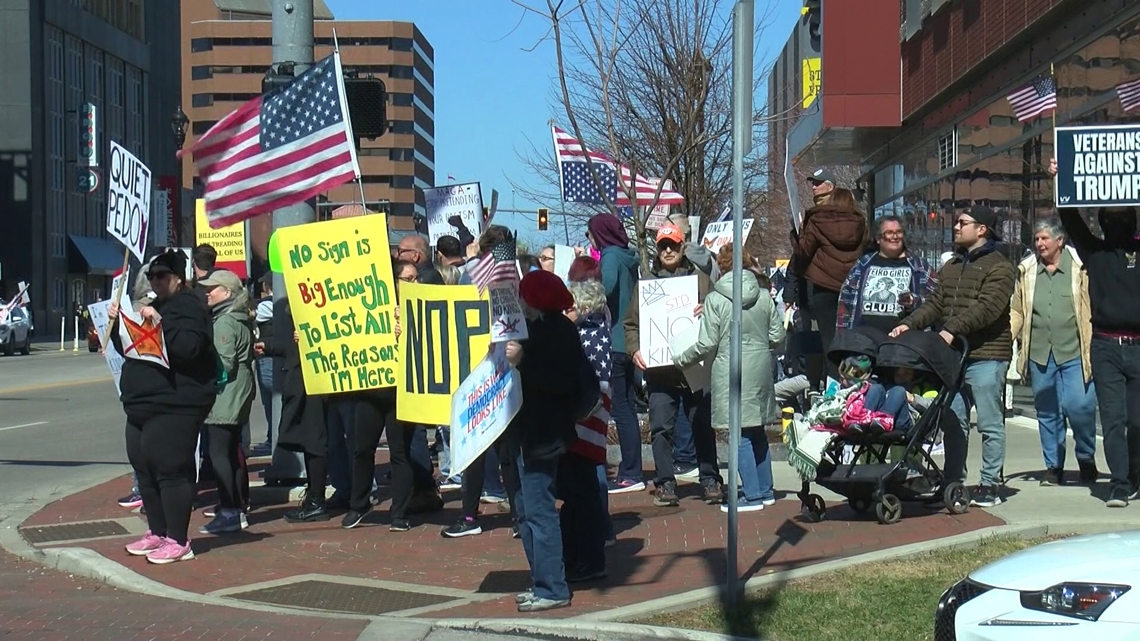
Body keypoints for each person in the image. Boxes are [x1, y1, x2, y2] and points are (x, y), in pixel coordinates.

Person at [890, 205, 1016, 508]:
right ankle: (952, 482)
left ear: (982, 229)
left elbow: (987, 308)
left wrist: (950, 329)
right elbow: (935, 303)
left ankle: (990, 485)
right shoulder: (951, 267)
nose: (956, 227)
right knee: (953, 419)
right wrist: (909, 323)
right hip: (954, 359)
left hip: (987, 355)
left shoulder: (1001, 267)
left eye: (963, 223)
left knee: (988, 422)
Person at [111, 250, 217, 564]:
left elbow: (187, 349)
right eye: (153, 276)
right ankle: (157, 531)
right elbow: (135, 349)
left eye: (163, 276)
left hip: (175, 403)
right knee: (144, 467)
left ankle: (178, 539)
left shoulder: (189, 306)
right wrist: (120, 325)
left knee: (170, 469)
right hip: (142, 402)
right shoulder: (156, 306)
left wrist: (160, 323)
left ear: (178, 277)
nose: (157, 282)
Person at [1050, 158, 1140, 506]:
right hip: (1105, 346)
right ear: (1103, 221)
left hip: (1138, 346)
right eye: (1111, 216)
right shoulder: (1094, 251)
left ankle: (1134, 474)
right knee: (1114, 420)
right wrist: (1061, 182)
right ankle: (1119, 483)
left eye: (1123, 216)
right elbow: (1071, 220)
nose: (1117, 221)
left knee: (1137, 421)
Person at [674, 245, 785, 512]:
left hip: (730, 367)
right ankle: (765, 489)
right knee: (756, 429)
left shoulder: (715, 299)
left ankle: (751, 494)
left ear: (721, 267)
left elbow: (707, 343)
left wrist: (680, 358)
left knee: (738, 432)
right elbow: (778, 336)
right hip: (759, 366)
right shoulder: (762, 296)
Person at [624, 224, 723, 506]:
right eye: (663, 245)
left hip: (696, 369)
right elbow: (631, 325)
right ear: (657, 250)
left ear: (683, 247)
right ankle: (666, 483)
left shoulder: (702, 280)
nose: (668, 250)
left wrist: (710, 308)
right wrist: (634, 351)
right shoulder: (645, 284)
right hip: (661, 372)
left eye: (673, 245)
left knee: (702, 427)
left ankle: (710, 478)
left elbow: (722, 313)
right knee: (660, 429)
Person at [511, 269, 589, 612]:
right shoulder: (544, 329)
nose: (521, 301)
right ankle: (541, 581)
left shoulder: (555, 332)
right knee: (526, 511)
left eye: (525, 295)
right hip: (531, 434)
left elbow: (557, 382)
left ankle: (553, 587)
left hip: (542, 436)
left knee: (539, 513)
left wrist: (522, 360)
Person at [1009, 218, 1097, 487]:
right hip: (1039, 353)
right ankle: (1053, 466)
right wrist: (1007, 338)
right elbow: (1017, 309)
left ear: (1060, 241)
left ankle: (1085, 456)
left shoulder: (1080, 267)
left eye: (1044, 238)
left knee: (1079, 406)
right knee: (1048, 412)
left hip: (1074, 351)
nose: (1039, 243)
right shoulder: (1027, 270)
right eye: (1036, 239)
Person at [257, 302, 332, 522]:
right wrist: (271, 346)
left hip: (315, 381)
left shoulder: (319, 308)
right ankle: (316, 497)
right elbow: (294, 346)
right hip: (305, 382)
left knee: (315, 441)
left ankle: (317, 501)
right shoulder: (305, 310)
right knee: (312, 442)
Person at [792, 175, 869, 380]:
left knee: (828, 339)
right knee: (851, 337)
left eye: (818, 183)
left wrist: (797, 233)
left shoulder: (817, 220)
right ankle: (856, 382)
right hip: (853, 287)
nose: (814, 187)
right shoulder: (860, 221)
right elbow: (867, 248)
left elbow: (803, 252)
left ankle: (834, 383)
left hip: (824, 288)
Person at [198, 270, 257, 534]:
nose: (207, 292)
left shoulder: (224, 322)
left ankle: (230, 510)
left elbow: (223, 363)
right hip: (240, 389)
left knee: (220, 453)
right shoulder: (239, 317)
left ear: (228, 293)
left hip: (227, 394)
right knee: (233, 452)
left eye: (213, 288)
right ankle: (236, 508)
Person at [587, 213, 642, 492]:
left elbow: (604, 290)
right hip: (629, 341)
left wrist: (581, 289)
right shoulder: (627, 256)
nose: (590, 239)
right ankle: (633, 469)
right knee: (627, 407)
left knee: (621, 408)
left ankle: (631, 472)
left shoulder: (609, 256)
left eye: (591, 233)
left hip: (616, 341)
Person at [565, 279, 616, 558]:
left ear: (584, 307)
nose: (567, 311)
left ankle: (602, 527)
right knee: (593, 461)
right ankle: (602, 526)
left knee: (592, 462)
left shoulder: (590, 333)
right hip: (595, 400)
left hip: (591, 403)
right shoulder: (598, 326)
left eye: (571, 306)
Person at [837, 215, 937, 334]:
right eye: (889, 232)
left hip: (904, 341)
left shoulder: (919, 267)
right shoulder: (863, 264)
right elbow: (845, 301)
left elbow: (936, 302)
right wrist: (842, 336)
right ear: (878, 239)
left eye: (899, 232)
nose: (895, 237)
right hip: (863, 340)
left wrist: (913, 301)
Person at [252, 273, 274, 452]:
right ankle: (272, 436)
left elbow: (254, 315)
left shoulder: (266, 306)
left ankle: (273, 437)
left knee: (271, 397)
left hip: (266, 356)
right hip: (269, 355)